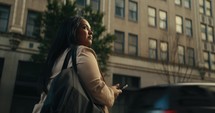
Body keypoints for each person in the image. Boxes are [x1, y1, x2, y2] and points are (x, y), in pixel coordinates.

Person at [32, 16, 122, 113]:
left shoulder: (55, 58)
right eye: (84, 28)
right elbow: (99, 91)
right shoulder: (82, 52)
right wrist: (112, 92)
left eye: (90, 29)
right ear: (72, 31)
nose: (91, 32)